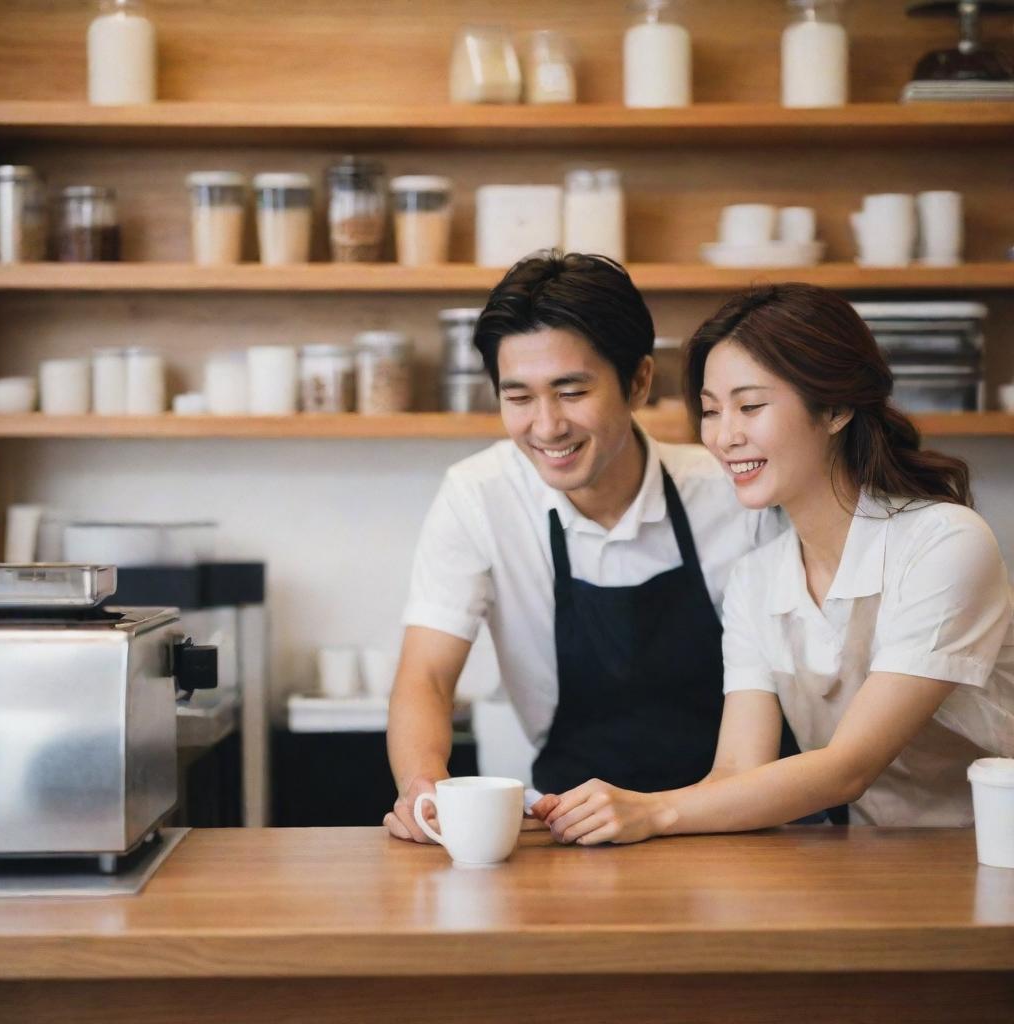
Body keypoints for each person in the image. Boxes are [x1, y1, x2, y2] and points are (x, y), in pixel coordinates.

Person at [539, 282, 1014, 845]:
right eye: (712, 411)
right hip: (873, 860)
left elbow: (848, 768)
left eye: (751, 406)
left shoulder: (944, 543)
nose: (724, 437)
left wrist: (653, 812)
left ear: (835, 406)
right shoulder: (756, 578)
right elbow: (739, 771)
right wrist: (613, 811)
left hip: (991, 850)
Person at [383, 253, 785, 843]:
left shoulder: (732, 495)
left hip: (741, 825)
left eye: (571, 391)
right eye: (518, 398)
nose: (547, 427)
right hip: (571, 833)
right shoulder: (479, 497)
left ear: (639, 381)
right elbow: (427, 677)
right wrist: (423, 784)